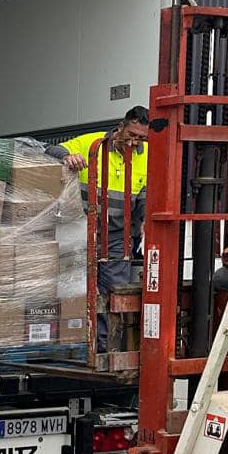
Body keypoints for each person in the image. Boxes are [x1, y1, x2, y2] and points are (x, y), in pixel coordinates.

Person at [46, 105, 151, 348]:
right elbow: (50, 149)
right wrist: (66, 157)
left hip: (116, 233)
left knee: (113, 290)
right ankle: (72, 342)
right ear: (120, 127)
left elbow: (146, 193)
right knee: (74, 283)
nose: (135, 143)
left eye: (141, 138)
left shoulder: (147, 156)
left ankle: (104, 347)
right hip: (80, 228)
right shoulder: (92, 143)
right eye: (132, 135)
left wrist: (147, 219)